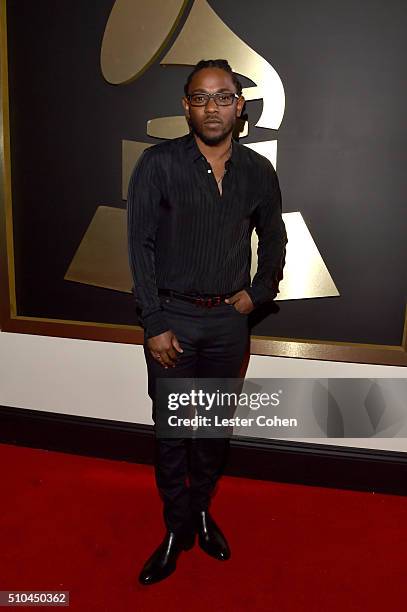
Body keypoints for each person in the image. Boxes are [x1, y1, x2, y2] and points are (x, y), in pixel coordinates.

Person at [127, 58, 287, 585]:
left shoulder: (259, 171)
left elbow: (275, 239)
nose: (212, 106)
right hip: (171, 319)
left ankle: (200, 511)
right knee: (174, 432)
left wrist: (258, 293)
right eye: (201, 97)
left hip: (226, 327)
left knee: (213, 428)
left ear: (239, 107)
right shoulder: (157, 163)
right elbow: (140, 247)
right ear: (186, 106)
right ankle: (175, 528)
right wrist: (153, 321)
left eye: (223, 97)